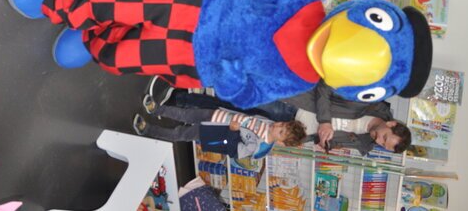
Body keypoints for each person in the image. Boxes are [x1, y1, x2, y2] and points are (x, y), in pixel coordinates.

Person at [146, 78, 410, 156]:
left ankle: (178, 99)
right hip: (291, 105)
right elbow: (326, 85)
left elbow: (329, 140)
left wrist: (322, 142)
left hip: (284, 130)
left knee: (225, 115)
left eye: (382, 145)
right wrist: (325, 120)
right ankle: (183, 83)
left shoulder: (363, 143)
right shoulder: (370, 99)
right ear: (392, 124)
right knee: (236, 95)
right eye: (384, 137)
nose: (378, 141)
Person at [132, 103, 306, 160]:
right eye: (282, 124)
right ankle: (156, 109)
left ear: (280, 142)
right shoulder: (269, 123)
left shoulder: (259, 147)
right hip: (216, 115)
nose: (277, 126)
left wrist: (232, 132)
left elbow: (234, 151)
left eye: (281, 132)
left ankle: (147, 129)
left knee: (180, 134)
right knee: (185, 113)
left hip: (214, 134)